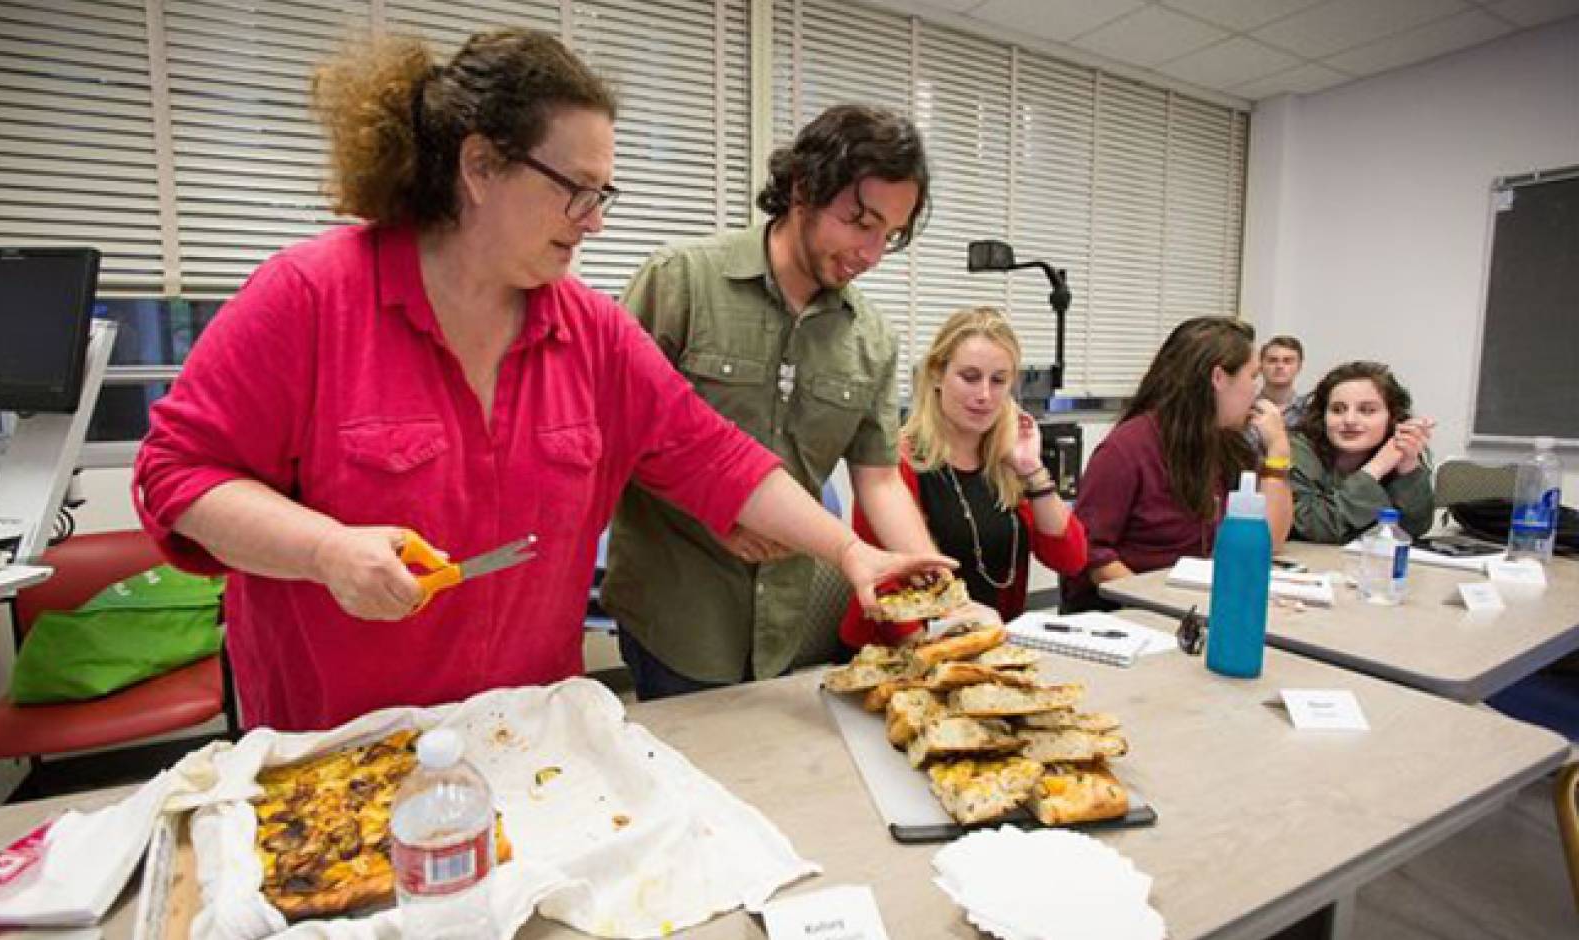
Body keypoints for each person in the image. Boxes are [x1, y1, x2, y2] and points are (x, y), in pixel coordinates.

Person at [132, 30, 949, 731]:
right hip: (338, 749)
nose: (594, 220)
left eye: (604, 194)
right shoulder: (310, 298)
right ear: (481, 165)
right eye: (576, 191)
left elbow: (717, 458)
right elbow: (176, 476)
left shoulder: (590, 333)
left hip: (531, 738)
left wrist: (850, 553)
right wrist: (326, 550)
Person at [601, 104, 940, 699]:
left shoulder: (872, 339)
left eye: (890, 234)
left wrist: (934, 585)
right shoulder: (681, 281)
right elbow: (612, 435)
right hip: (678, 609)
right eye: (861, 221)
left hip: (784, 615)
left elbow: (881, 482)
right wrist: (715, 505)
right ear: (804, 188)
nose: (872, 253)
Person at [838, 308, 1087, 647]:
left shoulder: (1005, 463)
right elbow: (886, 586)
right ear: (938, 375)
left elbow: (1070, 560)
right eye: (970, 377)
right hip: (901, 652)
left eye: (998, 381)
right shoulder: (893, 463)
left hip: (989, 646)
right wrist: (942, 655)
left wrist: (1032, 470)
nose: (985, 394)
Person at [1063, 316, 1294, 612]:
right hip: (1134, 613)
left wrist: (1278, 453)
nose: (1256, 391)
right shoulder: (1127, 448)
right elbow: (1092, 553)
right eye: (1252, 376)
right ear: (1219, 378)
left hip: (1199, 605)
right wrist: (1166, 608)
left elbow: (1269, 542)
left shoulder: (1227, 443)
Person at [1289, 361, 1435, 543]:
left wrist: (1407, 467)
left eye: (1367, 410)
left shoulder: (1396, 451)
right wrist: (1376, 468)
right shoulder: (1298, 449)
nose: (1349, 420)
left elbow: (1413, 528)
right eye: (1337, 410)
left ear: (1392, 417)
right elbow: (1313, 528)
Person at [1258, 335, 1309, 429]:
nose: (1279, 366)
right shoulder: (1245, 409)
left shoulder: (1310, 412)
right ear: (1260, 365)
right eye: (1272, 360)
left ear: (1299, 366)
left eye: (1287, 361)